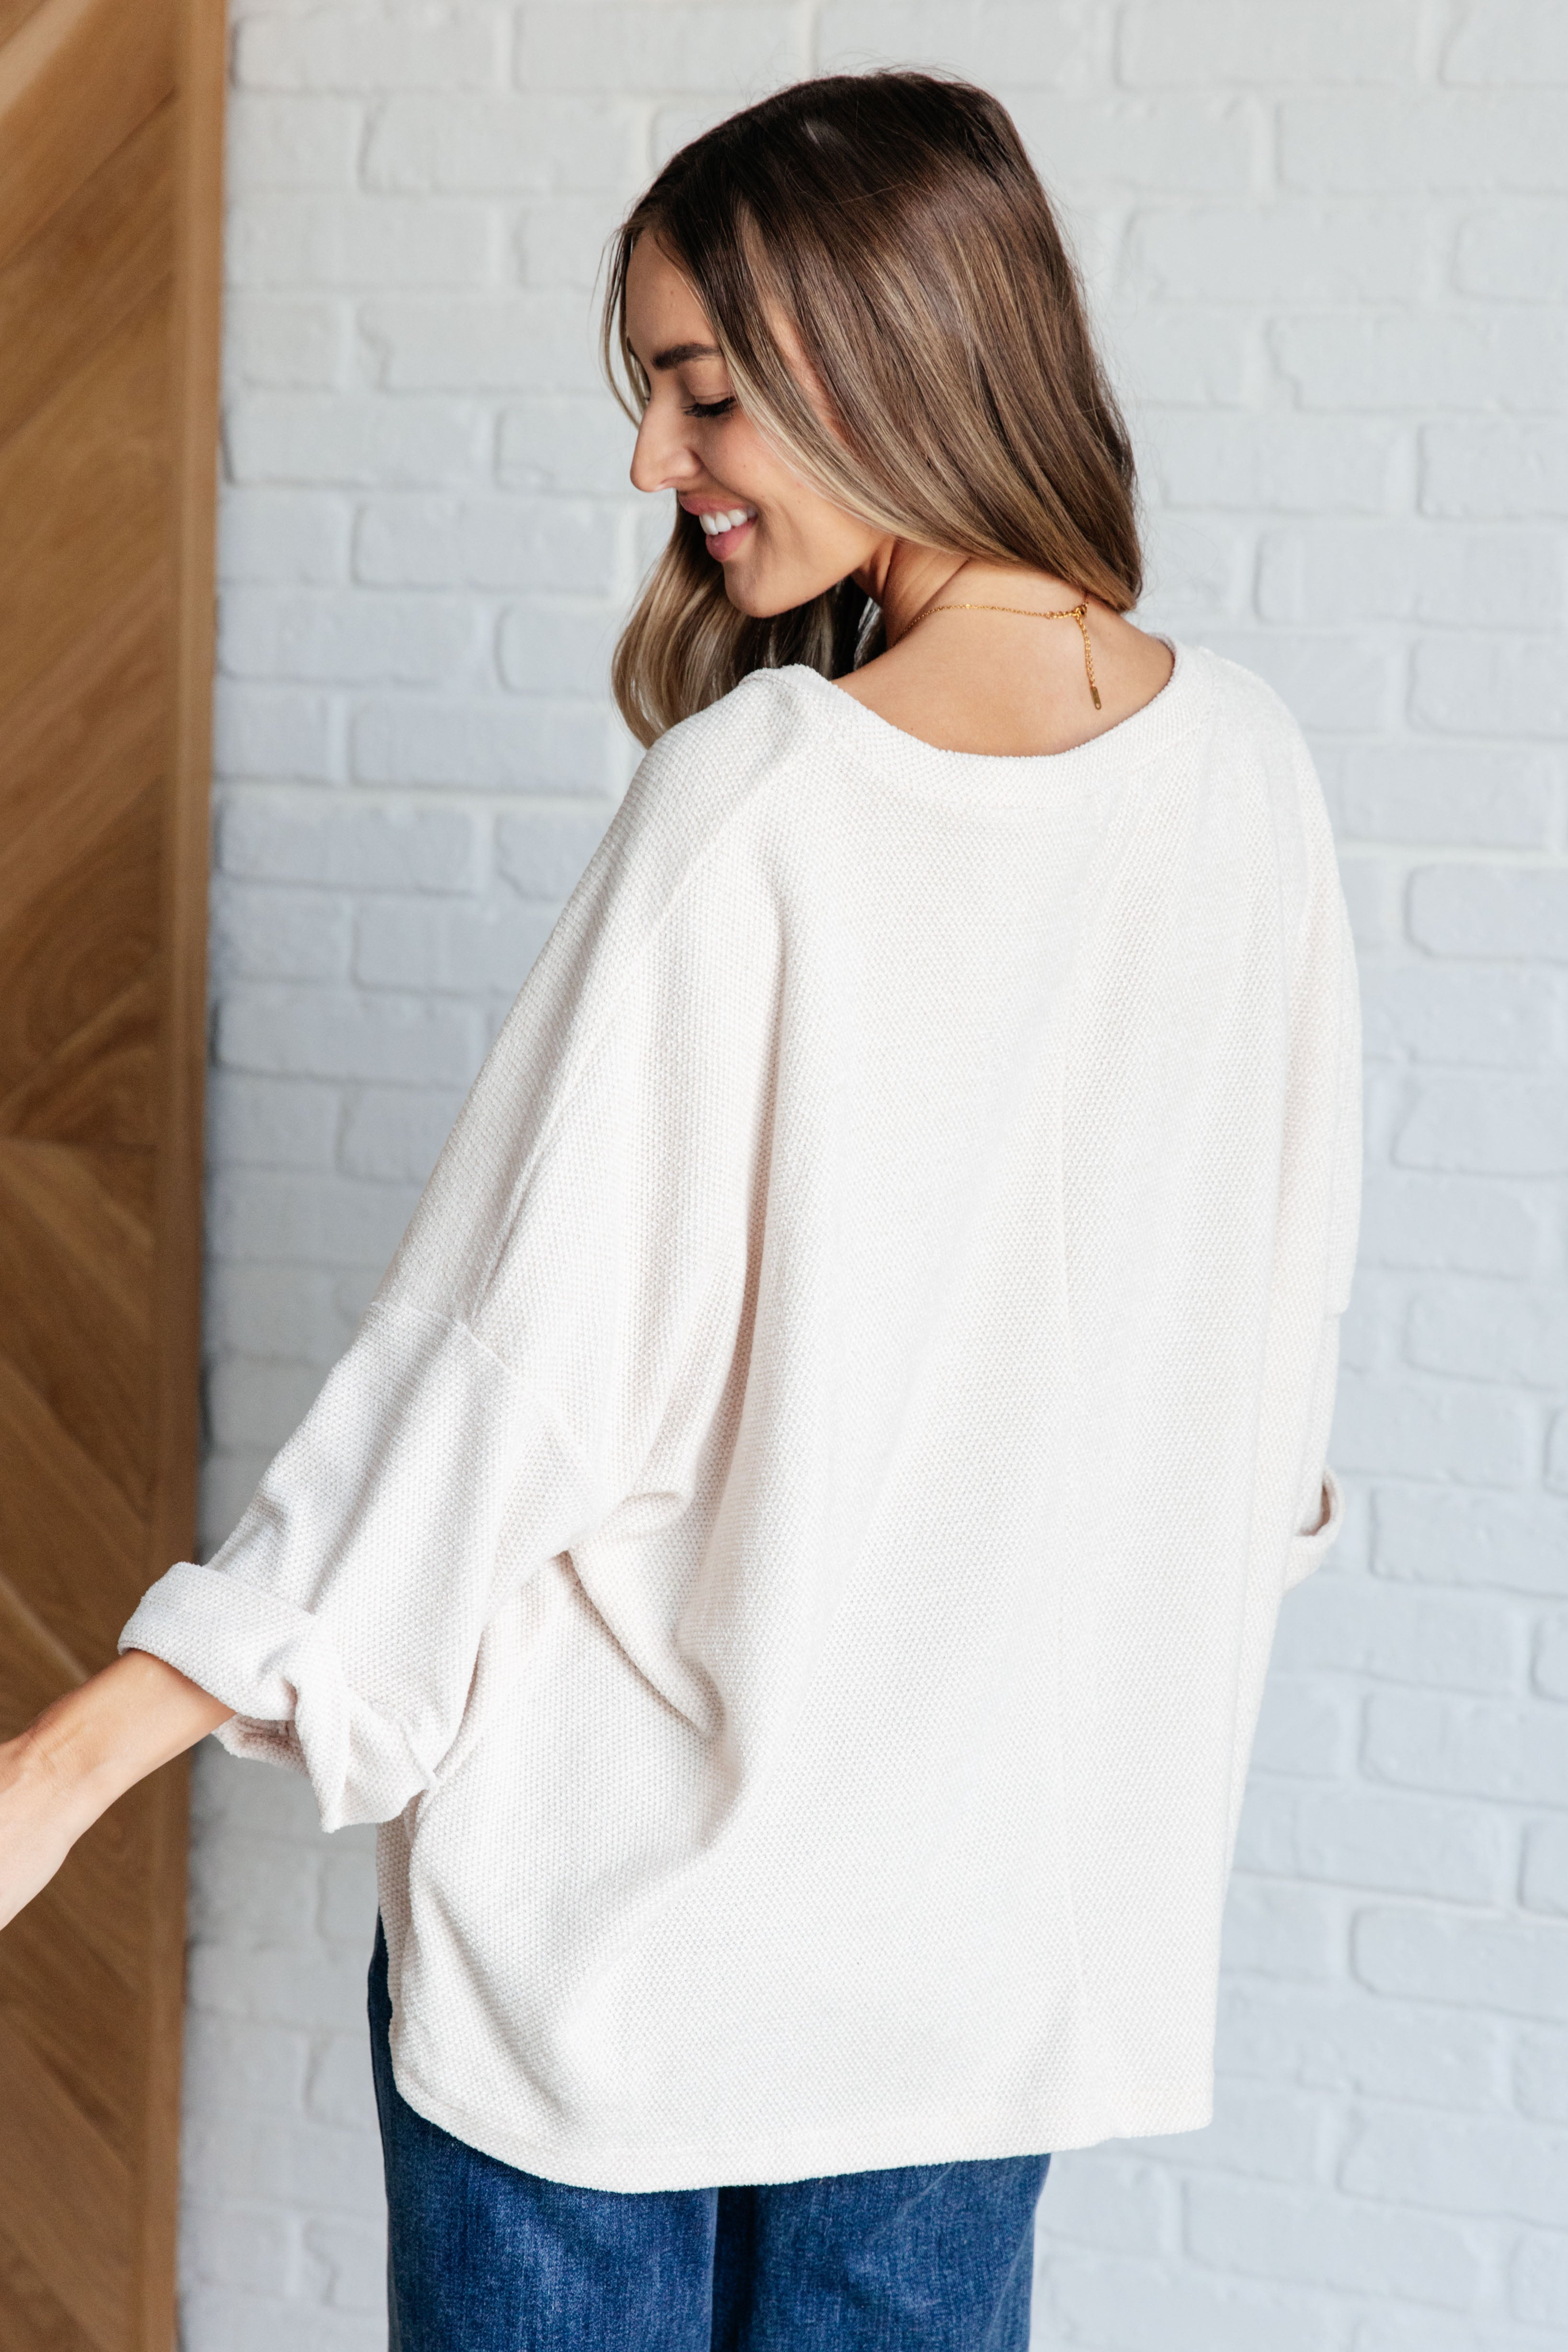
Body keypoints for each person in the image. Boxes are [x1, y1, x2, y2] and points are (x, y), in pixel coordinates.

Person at [0, 69, 1360, 2352]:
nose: (656, 463)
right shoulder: (1252, 773)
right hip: (985, 1957)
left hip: (617, 1949)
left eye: (701, 391)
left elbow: (505, 1377)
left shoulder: (769, 802)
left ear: (883, 348)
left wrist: (75, 1751)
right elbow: (1260, 1391)